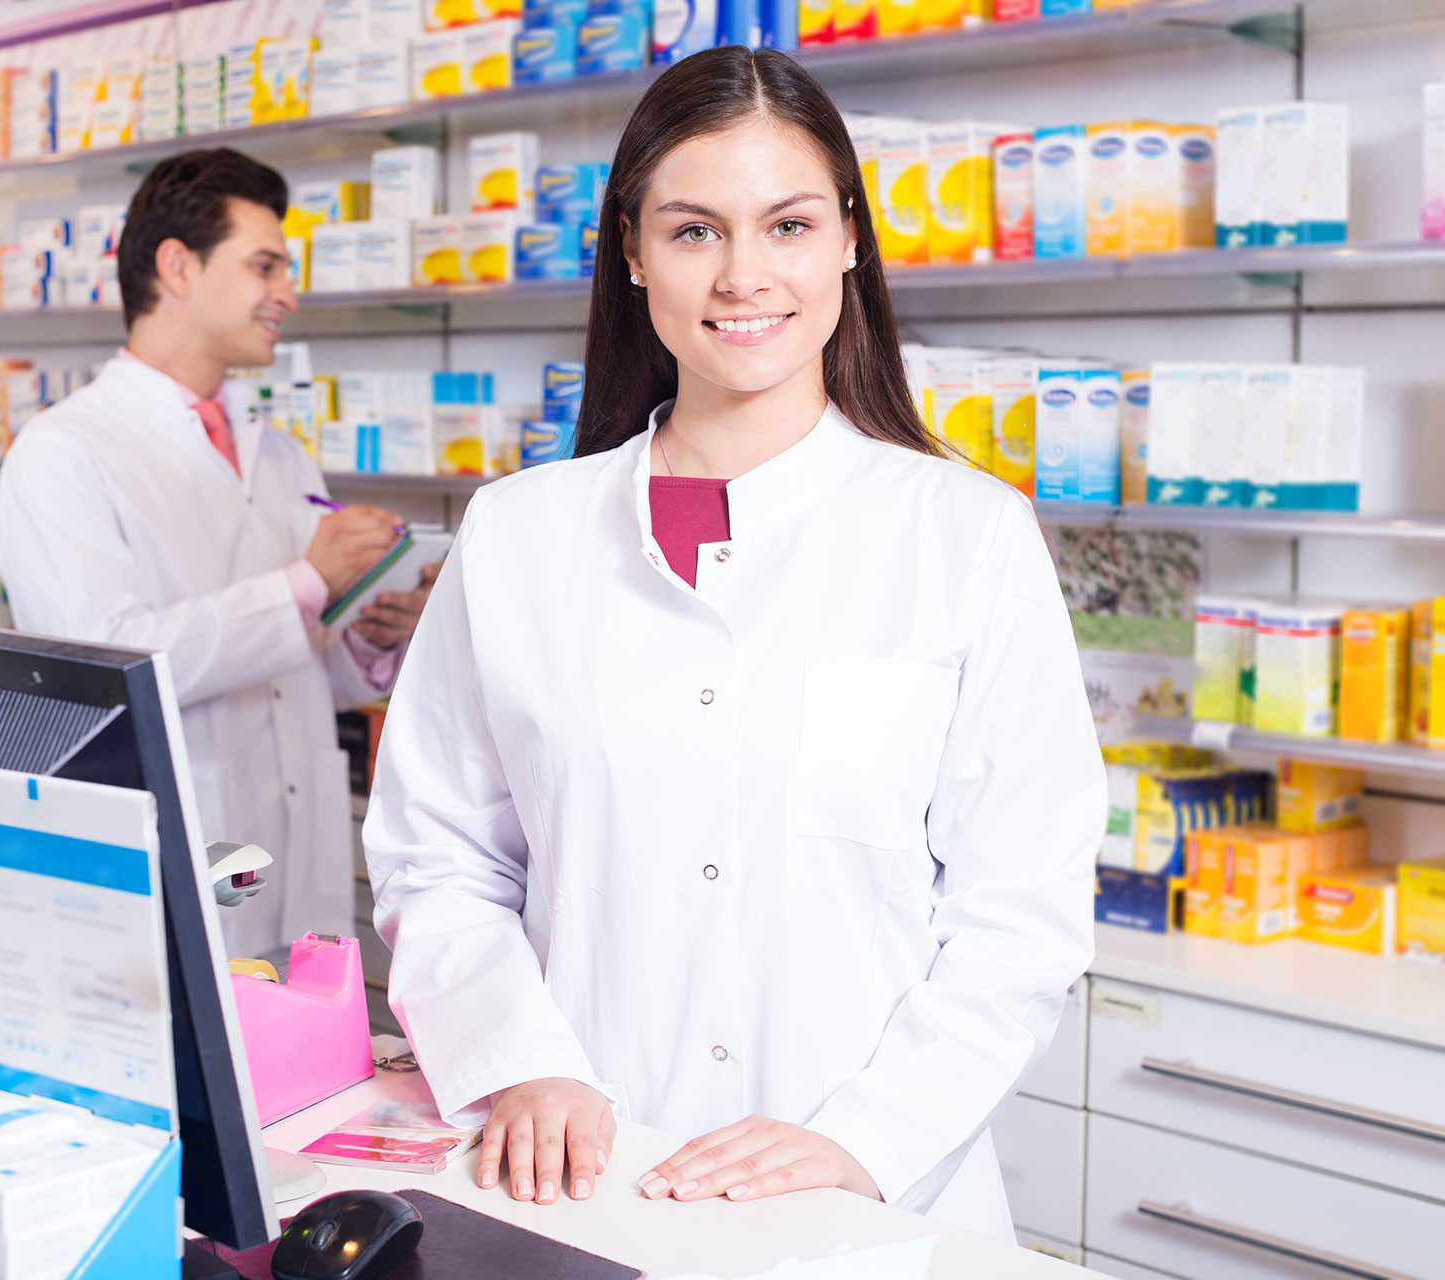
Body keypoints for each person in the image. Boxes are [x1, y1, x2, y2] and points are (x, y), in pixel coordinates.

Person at [362, 47, 1103, 1241]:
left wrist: (864, 1136)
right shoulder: (518, 535)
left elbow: (1019, 911)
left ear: (851, 242)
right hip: (580, 1181)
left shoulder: (966, 533)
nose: (745, 274)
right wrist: (520, 1060)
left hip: (876, 1199)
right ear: (634, 250)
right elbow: (441, 855)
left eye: (790, 224)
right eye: (695, 230)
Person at [0, 148, 434, 959]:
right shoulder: (64, 452)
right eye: (264, 265)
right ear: (177, 268)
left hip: (296, 865)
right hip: (173, 859)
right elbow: (104, 665)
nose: (288, 294)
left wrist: (366, 637)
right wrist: (307, 583)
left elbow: (295, 668)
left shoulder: (281, 455)